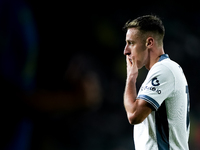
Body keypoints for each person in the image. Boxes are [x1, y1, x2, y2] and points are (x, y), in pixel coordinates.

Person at [123, 15, 190, 150]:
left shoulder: (164, 69)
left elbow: (134, 115)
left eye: (131, 43)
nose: (126, 51)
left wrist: (131, 78)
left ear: (149, 42)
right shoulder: (166, 69)